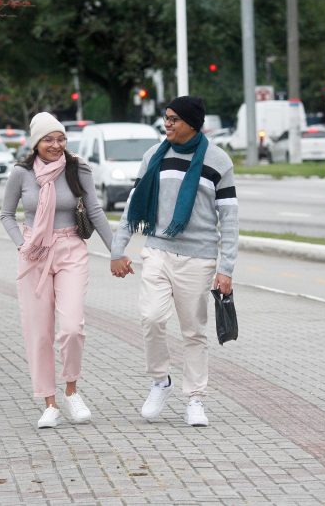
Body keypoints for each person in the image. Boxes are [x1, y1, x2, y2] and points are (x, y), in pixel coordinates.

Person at [110, 96, 238, 427]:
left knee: (193, 331)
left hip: (199, 258)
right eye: (165, 118)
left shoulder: (218, 161)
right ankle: (160, 381)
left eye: (173, 119)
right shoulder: (154, 156)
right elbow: (131, 207)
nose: (166, 124)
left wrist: (226, 268)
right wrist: (117, 249)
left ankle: (195, 398)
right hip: (158, 250)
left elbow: (230, 219)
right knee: (151, 318)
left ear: (192, 123)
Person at [0, 112, 113, 429]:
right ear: (36, 142)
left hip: (70, 249)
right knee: (39, 332)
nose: (56, 144)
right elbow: (6, 215)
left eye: (61, 138)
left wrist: (116, 250)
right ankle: (49, 402)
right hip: (34, 254)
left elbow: (94, 211)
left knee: (72, 327)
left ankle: (72, 390)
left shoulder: (78, 168)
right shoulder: (21, 174)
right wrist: (21, 244)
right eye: (48, 139)